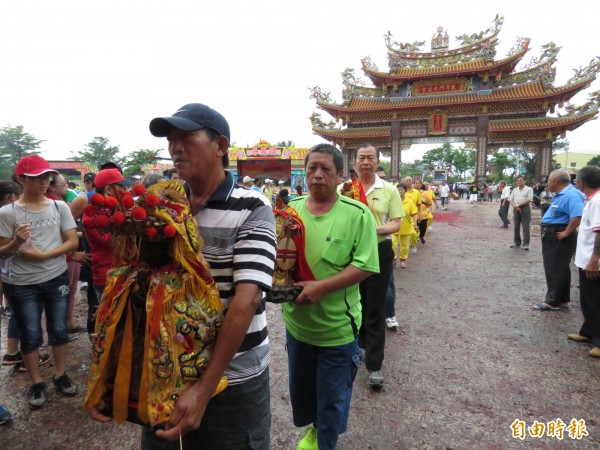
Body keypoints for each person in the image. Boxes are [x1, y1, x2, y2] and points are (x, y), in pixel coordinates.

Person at [126, 103, 276, 449]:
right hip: (167, 371)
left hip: (234, 379)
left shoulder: (252, 206)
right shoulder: (161, 207)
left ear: (221, 146)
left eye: (185, 137)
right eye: (170, 140)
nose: (175, 147)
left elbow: (248, 298)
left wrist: (204, 389)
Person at [283, 143, 378, 450]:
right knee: (304, 391)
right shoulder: (289, 211)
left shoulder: (357, 213)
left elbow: (366, 265)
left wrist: (321, 287)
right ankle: (316, 429)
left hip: (337, 329)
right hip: (297, 326)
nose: (318, 175)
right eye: (312, 168)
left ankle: (326, 439)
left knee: (332, 397)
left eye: (326, 169)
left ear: (340, 176)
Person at [0, 155, 80, 410]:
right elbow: (2, 252)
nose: (45, 182)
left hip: (55, 277)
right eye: (38, 177)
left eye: (48, 176)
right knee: (30, 332)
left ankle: (59, 374)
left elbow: (72, 241)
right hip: (22, 283)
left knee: (58, 328)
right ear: (22, 179)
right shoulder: (7, 212)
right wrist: (16, 242)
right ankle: (36, 382)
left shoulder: (59, 207)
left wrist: (44, 255)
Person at [355, 143, 404, 389]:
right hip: (352, 253)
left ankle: (374, 365)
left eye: (370, 158)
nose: (365, 162)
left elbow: (396, 223)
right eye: (361, 158)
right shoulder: (346, 189)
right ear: (354, 162)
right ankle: (358, 346)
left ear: (377, 161)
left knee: (375, 307)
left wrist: (373, 229)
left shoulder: (388, 190)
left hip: (379, 251)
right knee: (354, 304)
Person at [534, 169, 584, 311]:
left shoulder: (571, 195)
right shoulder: (563, 194)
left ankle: (552, 301)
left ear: (556, 181)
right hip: (553, 232)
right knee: (560, 267)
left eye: (549, 180)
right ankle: (561, 299)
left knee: (554, 267)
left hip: (558, 233)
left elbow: (577, 216)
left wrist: (567, 232)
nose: (547, 183)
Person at [569, 166, 600, 357]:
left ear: (581, 182)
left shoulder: (597, 201)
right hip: (586, 259)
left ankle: (598, 339)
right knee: (588, 299)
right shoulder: (591, 199)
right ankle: (588, 331)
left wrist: (595, 259)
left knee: (595, 300)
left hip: (592, 260)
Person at [509, 175, 534, 250]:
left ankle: (526, 244)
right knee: (516, 226)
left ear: (524, 181)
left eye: (521, 180)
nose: (519, 181)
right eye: (518, 180)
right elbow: (511, 199)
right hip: (516, 209)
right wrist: (515, 206)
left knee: (525, 227)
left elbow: (529, 199)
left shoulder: (529, 189)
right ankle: (517, 242)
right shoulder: (515, 190)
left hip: (525, 208)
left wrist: (518, 205)